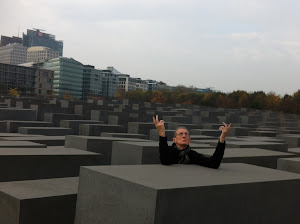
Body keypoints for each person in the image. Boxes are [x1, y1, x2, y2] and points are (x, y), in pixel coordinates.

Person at [152, 115, 231, 168]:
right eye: (180, 134)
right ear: (174, 140)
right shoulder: (169, 151)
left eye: (186, 134)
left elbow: (214, 163)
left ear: (189, 140)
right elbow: (165, 160)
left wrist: (222, 138)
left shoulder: (192, 155)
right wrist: (162, 133)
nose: (184, 136)